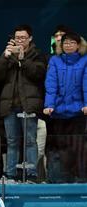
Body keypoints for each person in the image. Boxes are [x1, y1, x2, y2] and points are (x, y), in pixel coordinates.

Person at [0, 24, 48, 182]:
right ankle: (10, 174)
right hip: (9, 105)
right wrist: (5, 56)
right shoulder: (8, 55)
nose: (20, 40)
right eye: (17, 38)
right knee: (11, 141)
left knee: (30, 140)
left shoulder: (37, 54)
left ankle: (31, 174)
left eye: (23, 38)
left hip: (28, 104)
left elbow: (38, 74)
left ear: (30, 38)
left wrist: (23, 59)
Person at [42, 30, 87, 183]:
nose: (68, 45)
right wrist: (49, 104)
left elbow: (86, 85)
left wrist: (86, 104)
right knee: (57, 148)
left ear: (79, 45)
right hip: (58, 113)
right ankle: (57, 179)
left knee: (78, 147)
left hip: (78, 112)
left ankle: (80, 178)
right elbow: (51, 84)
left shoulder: (85, 60)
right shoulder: (55, 60)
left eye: (72, 43)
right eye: (65, 43)